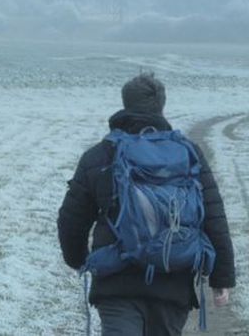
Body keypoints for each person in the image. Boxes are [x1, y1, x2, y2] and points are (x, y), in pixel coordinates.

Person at [57, 72, 235, 335]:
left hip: (116, 283)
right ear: (162, 105)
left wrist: (78, 259)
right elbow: (213, 215)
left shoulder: (100, 154)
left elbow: (72, 219)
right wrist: (222, 278)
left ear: (124, 103)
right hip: (173, 280)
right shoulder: (188, 153)